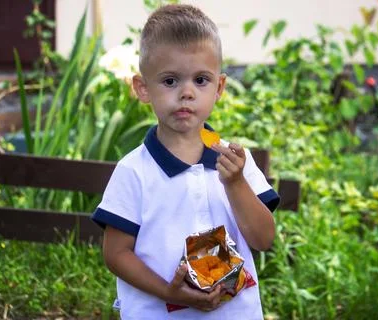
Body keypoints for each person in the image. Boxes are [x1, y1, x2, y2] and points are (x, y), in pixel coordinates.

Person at [91, 4, 280, 319]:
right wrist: (169, 292)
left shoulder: (235, 160)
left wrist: (235, 184)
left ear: (219, 87)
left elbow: (263, 239)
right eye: (170, 81)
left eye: (201, 80)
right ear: (142, 88)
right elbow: (115, 254)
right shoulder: (133, 171)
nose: (187, 93)